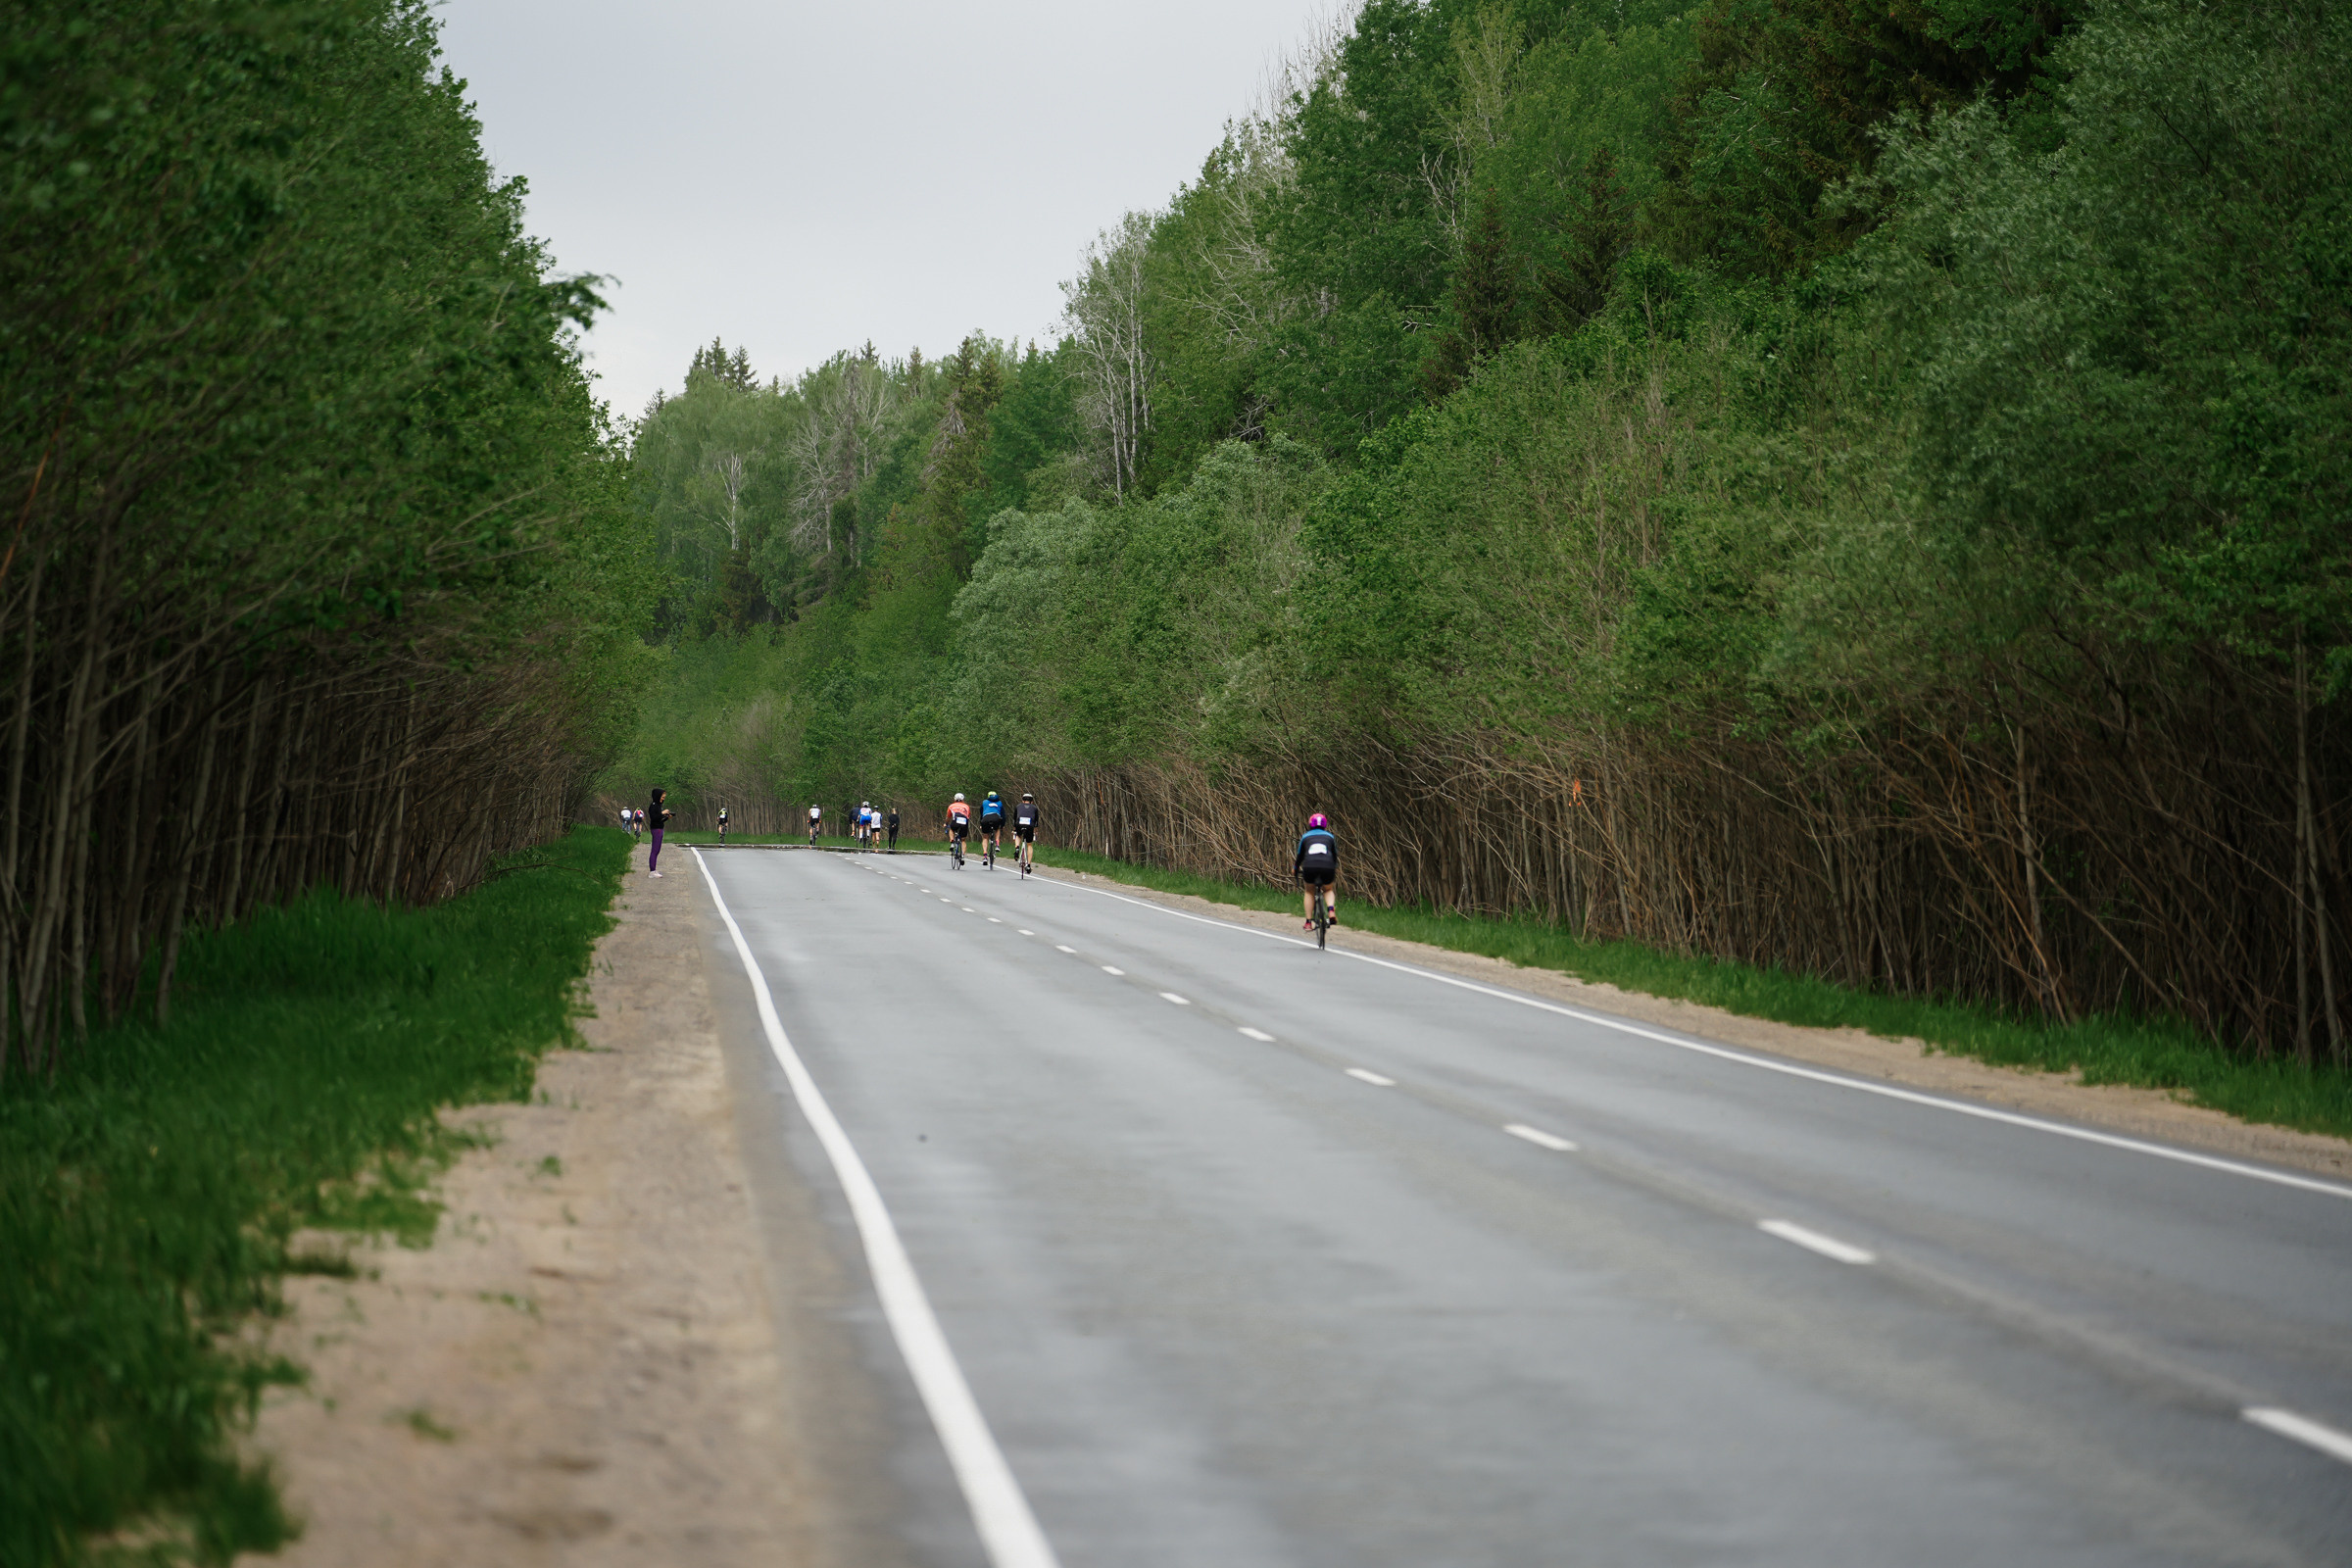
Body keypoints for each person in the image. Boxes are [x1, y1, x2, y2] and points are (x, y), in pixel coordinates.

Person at [1295, 811, 1337, 929]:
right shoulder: (1330, 837)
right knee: (1328, 889)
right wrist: (1333, 867)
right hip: (1327, 866)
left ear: (1310, 825)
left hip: (1310, 866)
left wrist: (1295, 869)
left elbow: (1300, 856)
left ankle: (1308, 922)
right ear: (1325, 825)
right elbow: (1334, 856)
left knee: (1309, 891)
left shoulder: (1305, 837)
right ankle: (1331, 910)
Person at [648, 788, 674, 877]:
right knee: (654, 850)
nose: (663, 798)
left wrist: (667, 817)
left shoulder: (658, 806)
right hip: (656, 829)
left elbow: (659, 820)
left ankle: (654, 869)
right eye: (662, 797)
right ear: (658, 796)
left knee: (657, 850)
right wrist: (663, 813)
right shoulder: (653, 806)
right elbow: (654, 818)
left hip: (659, 827)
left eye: (664, 797)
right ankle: (652, 871)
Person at [1011, 792, 1039, 875]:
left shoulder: (1018, 806)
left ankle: (1017, 848)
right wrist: (1035, 831)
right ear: (1032, 801)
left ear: (1023, 801)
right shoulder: (1034, 808)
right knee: (1029, 844)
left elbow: (1014, 819)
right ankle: (1029, 865)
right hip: (1030, 825)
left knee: (1018, 835)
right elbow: (1036, 822)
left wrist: (1014, 829)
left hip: (1019, 824)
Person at [977, 790, 1005, 866]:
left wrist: (981, 823)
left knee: (985, 837)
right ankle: (997, 845)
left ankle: (985, 856)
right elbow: (1003, 815)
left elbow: (981, 813)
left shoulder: (984, 802)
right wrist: (1002, 825)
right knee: (997, 829)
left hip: (985, 819)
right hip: (996, 818)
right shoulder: (1000, 803)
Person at [945, 792, 971, 865]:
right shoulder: (966, 806)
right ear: (963, 799)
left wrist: (946, 823)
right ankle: (962, 855)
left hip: (955, 821)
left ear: (955, 799)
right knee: (963, 840)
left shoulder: (951, 806)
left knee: (951, 829)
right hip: (964, 821)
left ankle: (952, 842)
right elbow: (968, 816)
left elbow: (948, 817)